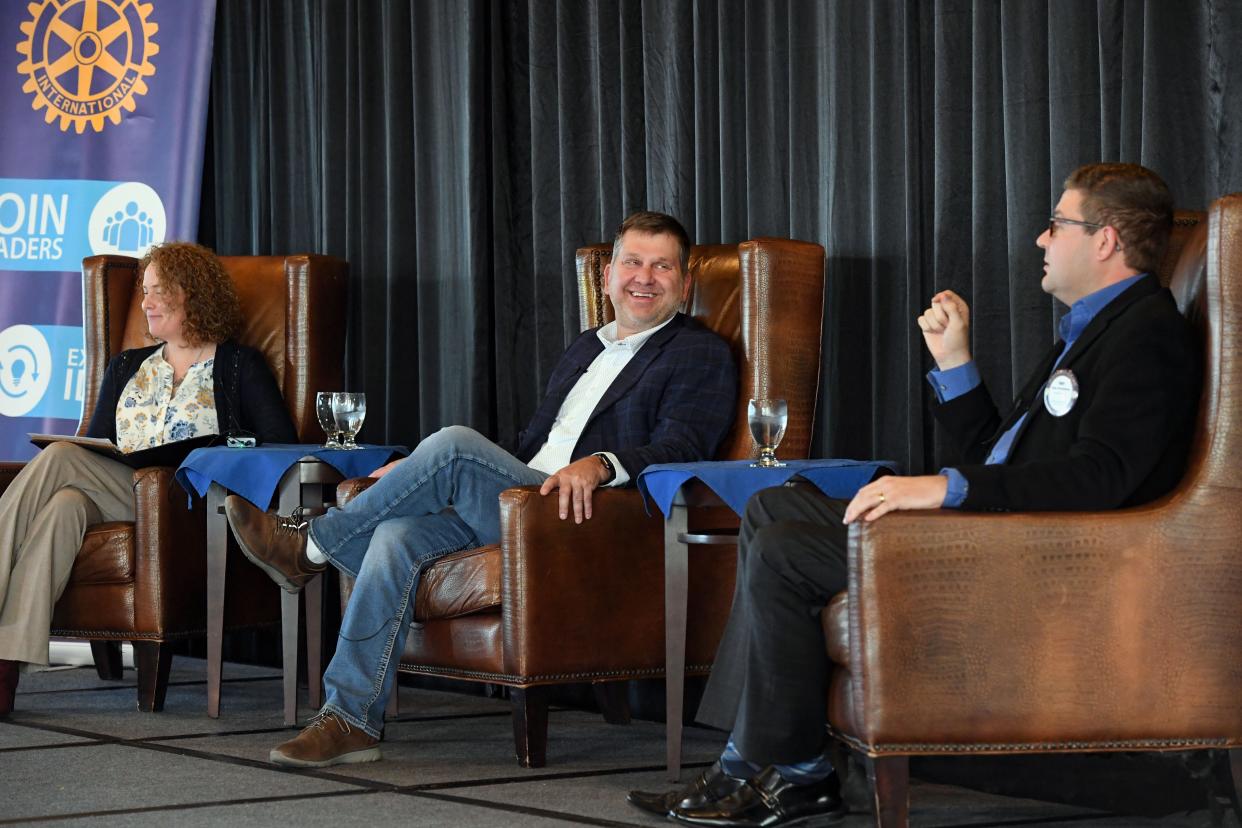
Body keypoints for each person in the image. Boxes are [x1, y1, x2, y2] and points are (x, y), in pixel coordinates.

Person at [628, 163, 1201, 828]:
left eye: (1056, 225)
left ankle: (766, 769)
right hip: (999, 532)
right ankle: (789, 770)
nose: (1042, 241)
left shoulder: (1146, 334)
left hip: (1036, 561)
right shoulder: (1092, 328)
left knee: (785, 549)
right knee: (775, 504)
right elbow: (1002, 455)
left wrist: (942, 488)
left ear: (1104, 241)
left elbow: (1099, 479)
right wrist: (955, 364)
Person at [225, 210, 738, 768]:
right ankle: (349, 718)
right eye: (633, 262)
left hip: (584, 517)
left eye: (662, 266)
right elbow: (527, 449)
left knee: (452, 443)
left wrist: (603, 464)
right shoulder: (585, 348)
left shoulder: (699, 353)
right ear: (609, 275)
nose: (645, 276)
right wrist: (420, 475)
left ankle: (309, 547)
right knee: (396, 532)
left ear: (684, 285)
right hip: (521, 502)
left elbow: (683, 448)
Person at [0, 241, 296, 717]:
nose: (146, 303)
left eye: (158, 291)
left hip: (187, 503)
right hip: (119, 492)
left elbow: (279, 444)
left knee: (58, 461)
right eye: (144, 291)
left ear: (192, 296)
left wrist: (215, 445)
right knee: (64, 504)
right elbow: (93, 449)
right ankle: (5, 663)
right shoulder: (126, 367)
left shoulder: (239, 366)